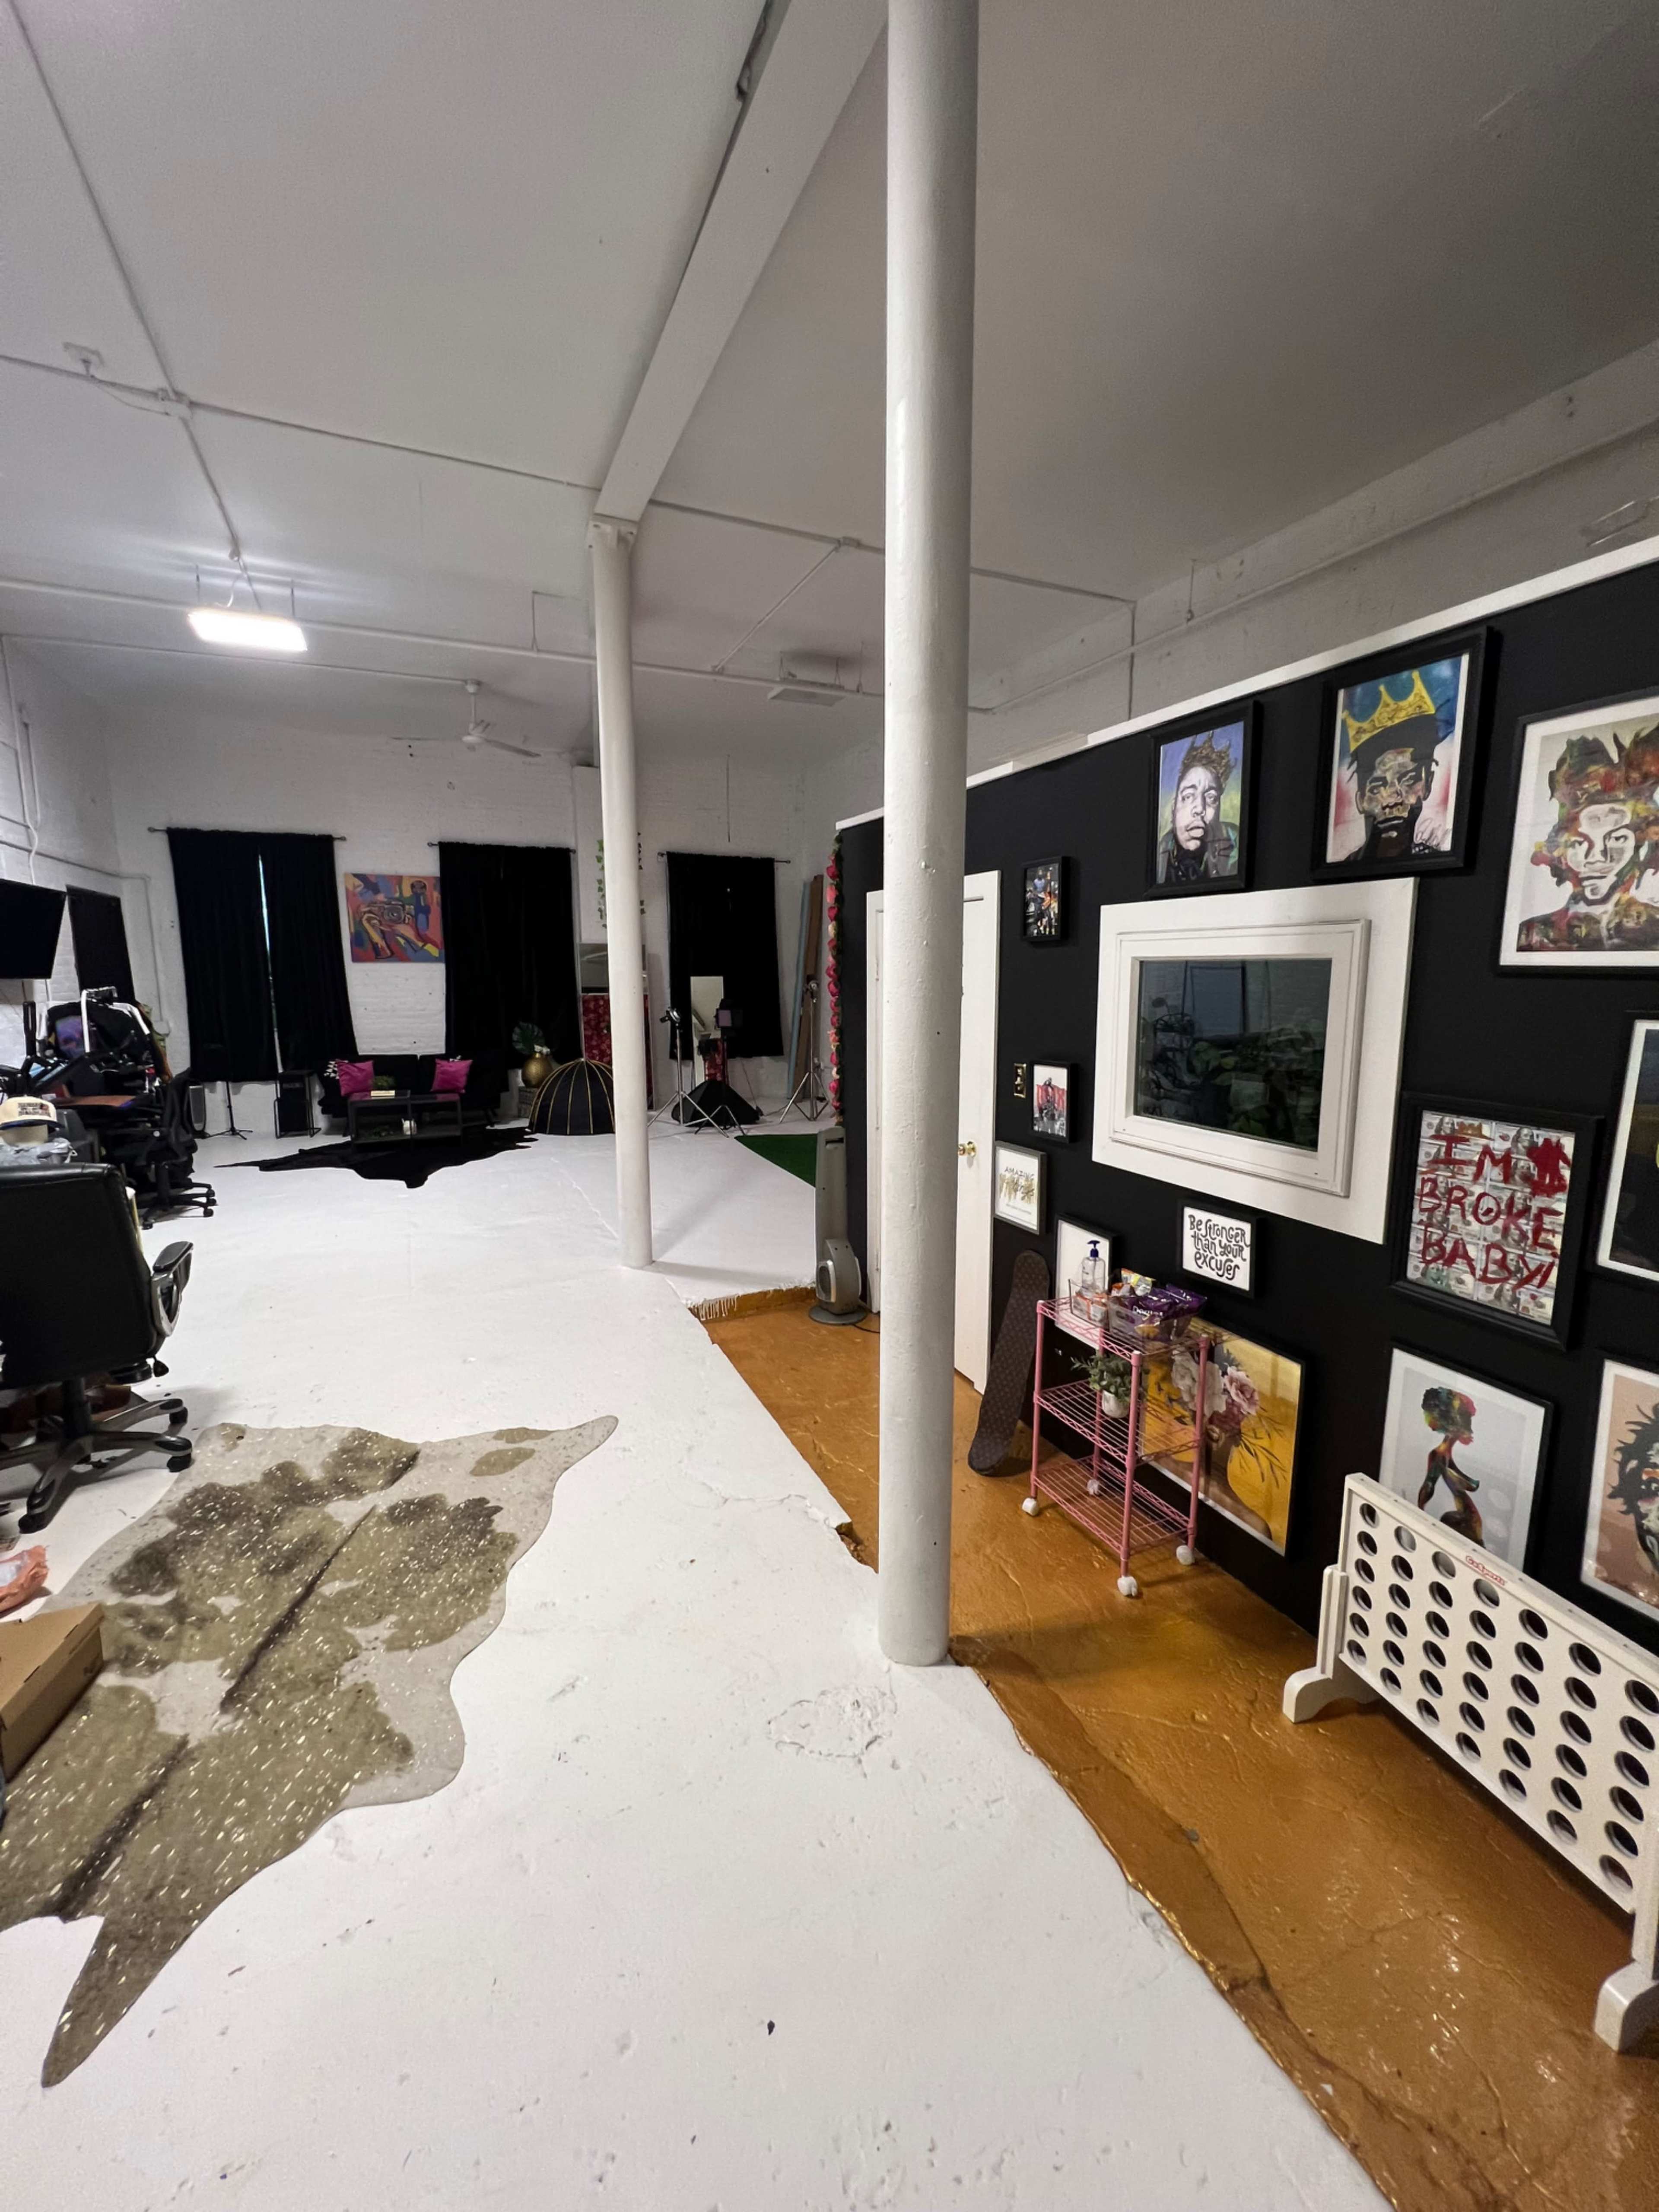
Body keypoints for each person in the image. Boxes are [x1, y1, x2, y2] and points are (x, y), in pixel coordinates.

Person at [1518, 726, 1659, 952]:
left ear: (1640, 844)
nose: (1596, 858)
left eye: (1616, 840)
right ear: (1561, 850)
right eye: (1580, 843)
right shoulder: (1533, 935)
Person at [1336, 668, 1446, 864]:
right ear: (1360, 800)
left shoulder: (1433, 859)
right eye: (1377, 787)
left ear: (1428, 783)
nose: (1393, 798)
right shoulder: (1344, 869)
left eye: (1409, 781)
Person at [1157, 733, 1236, 883]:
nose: (1200, 808)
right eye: (1188, 796)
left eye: (1211, 798)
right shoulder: (1162, 851)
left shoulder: (1234, 846)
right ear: (1174, 809)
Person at [1417, 1385, 1481, 1545]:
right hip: (1466, 1527)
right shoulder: (1440, 1455)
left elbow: (1429, 1486)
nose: (1470, 1426)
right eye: (1467, 1418)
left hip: (1468, 1526)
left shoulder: (1442, 1453)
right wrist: (1418, 1515)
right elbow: (1429, 1486)